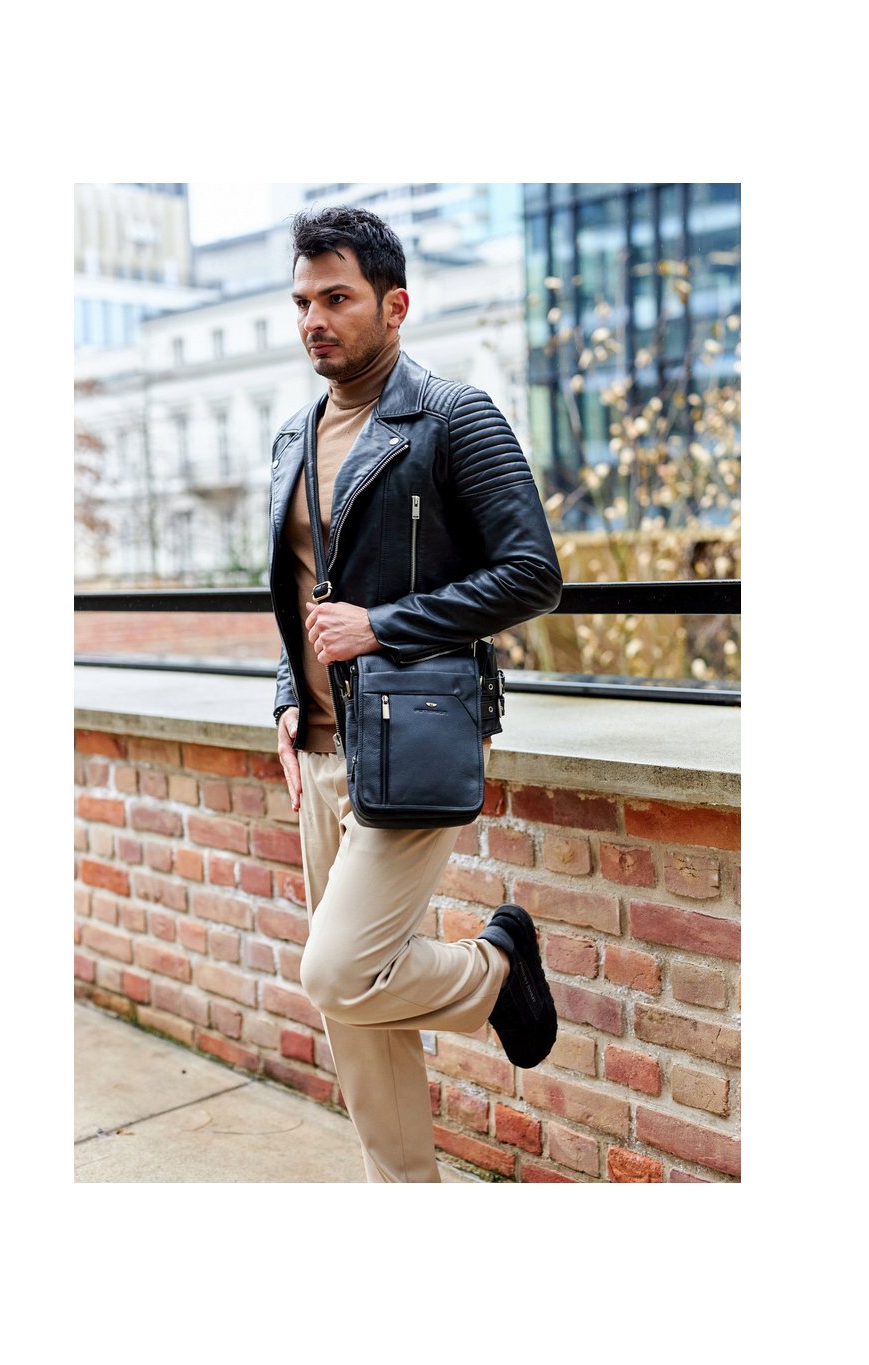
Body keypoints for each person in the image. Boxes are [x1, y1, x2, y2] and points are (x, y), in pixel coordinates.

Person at [268, 206, 563, 1182]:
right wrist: (288, 692)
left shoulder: (453, 415)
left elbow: (532, 573)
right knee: (358, 1015)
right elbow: (302, 588)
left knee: (339, 971)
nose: (314, 320)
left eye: (336, 298)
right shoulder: (293, 435)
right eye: (302, 301)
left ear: (395, 305)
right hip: (320, 749)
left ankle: (497, 970)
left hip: (415, 735)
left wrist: (384, 625)